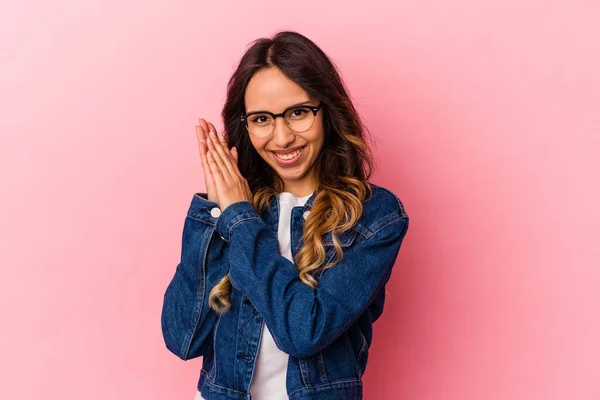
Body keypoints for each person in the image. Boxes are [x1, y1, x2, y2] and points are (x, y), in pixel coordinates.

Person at [161, 30, 410, 400]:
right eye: (261, 119)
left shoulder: (374, 216)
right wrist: (215, 214)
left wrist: (239, 219)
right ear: (244, 126)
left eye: (297, 113)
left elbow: (302, 331)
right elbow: (183, 339)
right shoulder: (234, 208)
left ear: (328, 111)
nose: (281, 138)